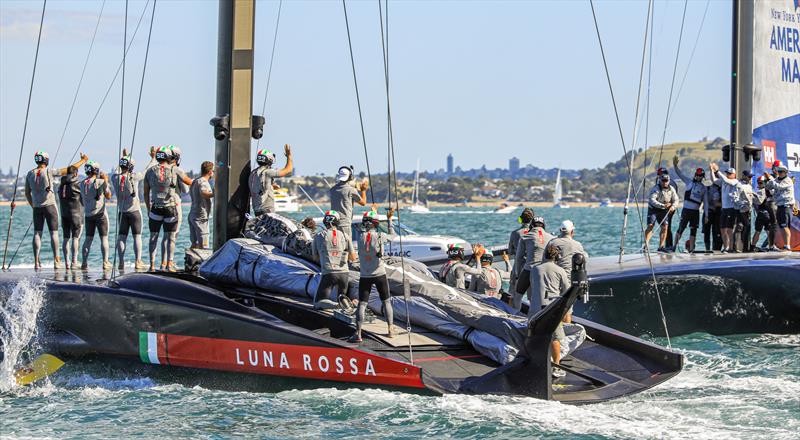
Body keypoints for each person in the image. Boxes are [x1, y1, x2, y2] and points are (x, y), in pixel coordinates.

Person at [24, 150, 88, 269]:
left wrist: (33, 205)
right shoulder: (49, 171)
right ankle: (56, 261)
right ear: (46, 160)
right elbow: (69, 169)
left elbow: (27, 193)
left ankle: (36, 262)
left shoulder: (29, 174)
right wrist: (83, 161)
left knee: (37, 233)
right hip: (50, 206)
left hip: (37, 207)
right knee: (54, 233)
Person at [143, 146, 193, 271]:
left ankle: (152, 265)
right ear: (169, 157)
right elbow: (189, 182)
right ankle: (169, 264)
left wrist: (149, 209)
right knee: (170, 237)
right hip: (170, 207)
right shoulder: (175, 169)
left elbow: (145, 193)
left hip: (155, 208)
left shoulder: (149, 171)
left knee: (153, 237)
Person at [350, 210, 395, 343]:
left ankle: (358, 333)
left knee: (362, 304)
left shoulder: (360, 237)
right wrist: (389, 220)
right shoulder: (381, 236)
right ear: (376, 223)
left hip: (365, 276)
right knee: (386, 302)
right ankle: (390, 330)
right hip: (380, 274)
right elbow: (393, 235)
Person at [529, 245, 571, 378]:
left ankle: (535, 363)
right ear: (557, 257)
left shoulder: (535, 269)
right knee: (555, 337)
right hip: (551, 310)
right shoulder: (560, 271)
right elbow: (567, 291)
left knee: (536, 336)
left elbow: (532, 287)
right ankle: (556, 366)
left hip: (535, 310)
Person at [311, 210, 356, 310]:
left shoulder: (318, 236)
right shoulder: (345, 236)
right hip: (344, 274)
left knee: (318, 303)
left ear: (324, 221)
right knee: (342, 298)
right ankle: (349, 305)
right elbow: (353, 257)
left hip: (329, 273)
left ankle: (337, 305)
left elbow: (315, 258)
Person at [111, 151, 146, 270]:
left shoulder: (114, 177)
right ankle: (138, 261)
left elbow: (117, 170)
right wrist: (153, 159)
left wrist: (123, 158)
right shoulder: (134, 177)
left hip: (122, 212)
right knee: (137, 237)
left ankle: (121, 262)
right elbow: (146, 171)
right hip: (134, 211)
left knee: (121, 237)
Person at [512, 215, 553, 311]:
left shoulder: (525, 237)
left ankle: (515, 315)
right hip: (544, 272)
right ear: (544, 226)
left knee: (517, 296)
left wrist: (518, 274)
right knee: (541, 298)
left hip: (529, 270)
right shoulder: (551, 238)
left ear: (532, 226)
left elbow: (519, 258)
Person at [80, 160, 112, 270]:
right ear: (96, 170)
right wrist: (106, 180)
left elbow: (81, 200)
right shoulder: (100, 182)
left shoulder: (82, 183)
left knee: (88, 239)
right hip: (100, 214)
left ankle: (84, 263)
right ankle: (105, 262)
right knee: (104, 238)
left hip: (88, 215)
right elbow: (108, 195)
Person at [672, 156, 707, 252]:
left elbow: (706, 203)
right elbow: (680, 174)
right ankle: (674, 246)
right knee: (681, 228)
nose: (699, 177)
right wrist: (675, 166)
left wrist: (707, 214)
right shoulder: (689, 182)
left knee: (693, 231)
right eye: (698, 175)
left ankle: (691, 249)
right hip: (686, 210)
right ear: (695, 175)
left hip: (695, 212)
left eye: (701, 176)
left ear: (703, 177)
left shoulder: (703, 188)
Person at [249, 145, 293, 217]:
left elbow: (260, 186)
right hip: (267, 210)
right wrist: (289, 156)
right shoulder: (268, 172)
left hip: (256, 210)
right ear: (269, 160)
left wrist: (272, 186)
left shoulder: (253, 173)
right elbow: (288, 170)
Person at [329, 165, 369, 243]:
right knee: (347, 246)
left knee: (337, 245)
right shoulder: (351, 190)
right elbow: (363, 203)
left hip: (333, 223)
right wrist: (363, 190)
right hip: (345, 223)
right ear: (350, 176)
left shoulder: (332, 190)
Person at [764, 162, 796, 251]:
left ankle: (787, 245)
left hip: (786, 206)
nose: (780, 173)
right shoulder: (777, 179)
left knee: (785, 226)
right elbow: (768, 187)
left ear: (786, 172)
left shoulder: (788, 180)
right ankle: (785, 245)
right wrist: (768, 181)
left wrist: (770, 178)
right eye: (779, 171)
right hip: (780, 206)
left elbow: (779, 187)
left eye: (782, 171)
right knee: (782, 226)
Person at [710, 163, 742, 253]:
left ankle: (731, 247)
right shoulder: (724, 181)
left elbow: (727, 180)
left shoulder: (735, 182)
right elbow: (714, 180)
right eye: (727, 173)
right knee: (722, 229)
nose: (728, 175)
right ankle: (726, 247)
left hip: (731, 208)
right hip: (724, 209)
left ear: (734, 175)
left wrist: (717, 171)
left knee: (729, 229)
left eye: (729, 173)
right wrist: (711, 170)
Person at [644, 174, 679, 252]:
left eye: (666, 181)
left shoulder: (671, 189)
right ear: (660, 181)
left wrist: (673, 207)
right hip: (653, 209)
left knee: (665, 227)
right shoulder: (655, 189)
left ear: (669, 181)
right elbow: (652, 200)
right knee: (650, 225)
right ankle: (646, 245)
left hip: (663, 210)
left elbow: (676, 200)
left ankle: (661, 247)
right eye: (663, 181)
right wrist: (663, 205)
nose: (664, 182)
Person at [58, 165, 83, 269]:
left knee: (66, 238)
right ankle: (74, 261)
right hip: (76, 214)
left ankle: (67, 263)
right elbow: (84, 198)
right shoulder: (77, 184)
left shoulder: (60, 185)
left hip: (64, 214)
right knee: (75, 238)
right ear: (75, 173)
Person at [188, 161, 215, 249]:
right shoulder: (203, 182)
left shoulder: (196, 180)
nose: (213, 173)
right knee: (204, 246)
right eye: (213, 171)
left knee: (194, 244)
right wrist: (215, 193)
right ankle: (202, 262)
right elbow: (203, 193)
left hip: (192, 215)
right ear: (210, 172)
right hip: (200, 218)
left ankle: (192, 262)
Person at [508, 208, 534, 290]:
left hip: (518, 266)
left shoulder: (515, 233)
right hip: (532, 266)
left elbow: (510, 251)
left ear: (520, 219)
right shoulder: (535, 233)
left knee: (513, 292)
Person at [752, 175, 777, 251]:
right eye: (759, 183)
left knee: (759, 231)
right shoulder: (768, 191)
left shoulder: (761, 191)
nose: (759, 184)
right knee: (767, 231)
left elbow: (759, 202)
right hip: (766, 213)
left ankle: (753, 246)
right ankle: (771, 246)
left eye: (761, 183)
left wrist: (752, 197)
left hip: (763, 213)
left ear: (765, 183)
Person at [657, 167, 679, 248]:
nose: (659, 176)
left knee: (667, 226)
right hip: (661, 208)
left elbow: (674, 197)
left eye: (660, 174)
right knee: (664, 227)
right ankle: (665, 245)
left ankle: (668, 245)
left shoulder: (671, 183)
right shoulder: (659, 182)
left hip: (669, 208)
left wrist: (671, 206)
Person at [734, 170, 756, 252]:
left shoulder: (749, 186)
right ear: (744, 176)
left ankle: (745, 248)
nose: (750, 178)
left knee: (747, 228)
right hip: (741, 210)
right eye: (749, 177)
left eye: (751, 177)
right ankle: (736, 247)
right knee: (739, 227)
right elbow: (735, 197)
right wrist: (741, 205)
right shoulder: (739, 185)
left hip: (748, 211)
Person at [702, 178, 723, 251]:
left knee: (707, 232)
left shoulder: (707, 188)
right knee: (714, 231)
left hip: (708, 212)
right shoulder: (718, 190)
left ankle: (707, 249)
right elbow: (715, 203)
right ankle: (714, 249)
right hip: (713, 213)